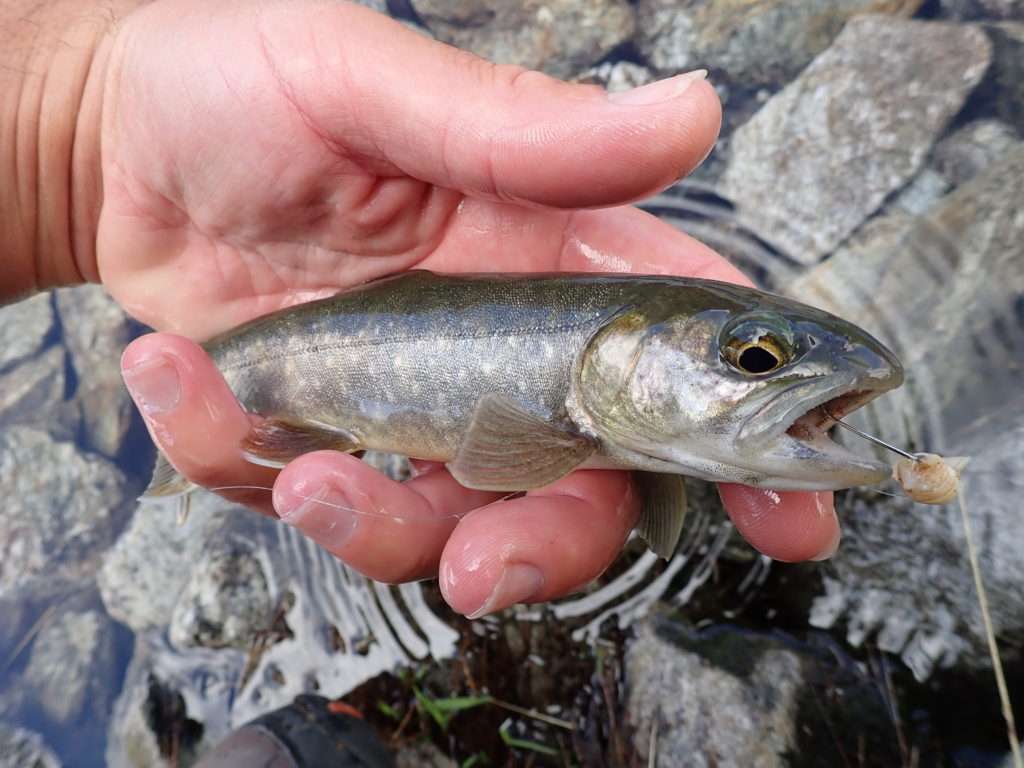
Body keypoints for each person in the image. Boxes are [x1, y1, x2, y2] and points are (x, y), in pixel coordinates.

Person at [2, 0, 841, 621]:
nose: (763, 369)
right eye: (755, 360)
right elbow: (494, 460)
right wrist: (88, 116)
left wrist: (81, 121)